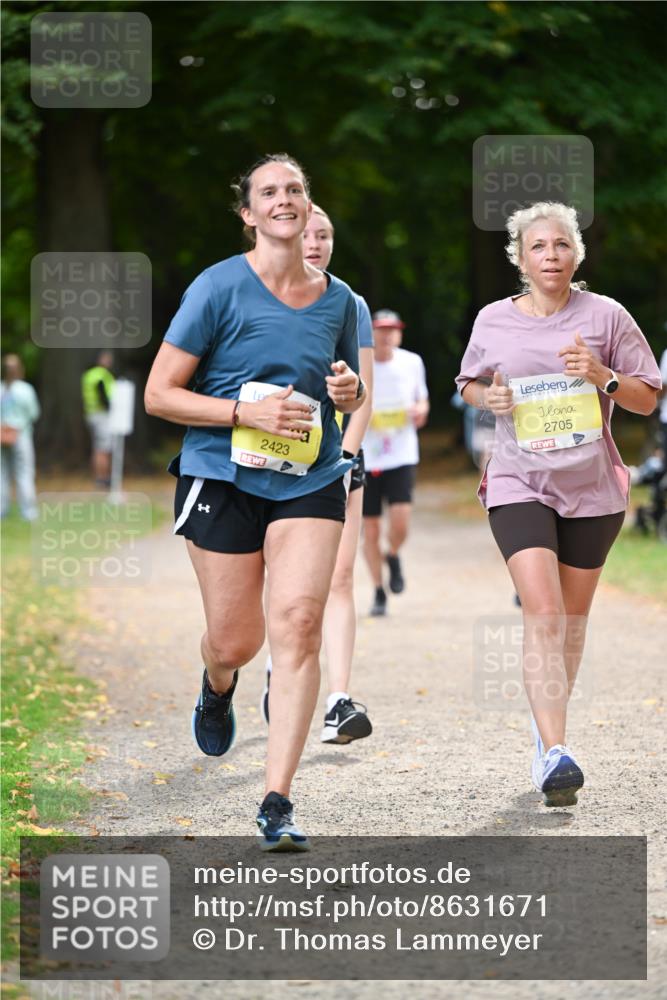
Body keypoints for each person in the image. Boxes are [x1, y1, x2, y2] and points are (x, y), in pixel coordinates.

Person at [144, 154, 365, 851]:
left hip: (309, 478)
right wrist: (245, 416)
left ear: (307, 206)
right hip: (222, 476)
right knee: (237, 640)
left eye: (294, 189)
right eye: (268, 192)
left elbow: (349, 386)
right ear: (248, 213)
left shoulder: (339, 299)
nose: (283, 199)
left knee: (298, 622)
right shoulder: (216, 288)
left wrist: (346, 396)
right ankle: (217, 683)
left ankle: (276, 801)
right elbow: (159, 394)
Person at [456, 201, 661, 807]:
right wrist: (486, 398)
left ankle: (545, 732)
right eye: (539, 247)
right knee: (542, 613)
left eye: (562, 246)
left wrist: (603, 375)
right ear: (520, 258)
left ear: (578, 255)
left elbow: (648, 398)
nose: (551, 256)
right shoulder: (494, 319)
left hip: (592, 488)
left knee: (570, 624)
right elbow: (468, 382)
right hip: (520, 479)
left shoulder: (608, 316)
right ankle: (555, 751)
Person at [261, 204, 375, 744]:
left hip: (333, 462)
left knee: (341, 576)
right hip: (264, 458)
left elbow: (361, 395)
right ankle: (273, 667)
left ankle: (339, 700)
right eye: (307, 234)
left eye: (325, 234)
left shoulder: (349, 303)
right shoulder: (253, 293)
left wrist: (347, 461)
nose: (315, 243)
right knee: (275, 579)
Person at [362, 310, 429, 616]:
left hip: (401, 453)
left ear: (399, 334)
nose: (386, 336)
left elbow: (423, 400)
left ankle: (393, 554)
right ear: (371, 332)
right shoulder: (360, 363)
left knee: (400, 522)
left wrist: (420, 411)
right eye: (380, 330)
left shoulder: (412, 362)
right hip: (368, 454)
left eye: (392, 330)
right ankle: (378, 591)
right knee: (371, 528)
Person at [0, 354, 40, 521]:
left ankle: (2, 510)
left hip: (1, 434)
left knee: (2, 474)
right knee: (24, 472)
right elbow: (34, 413)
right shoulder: (25, 389)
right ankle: (28, 512)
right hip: (21, 435)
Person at [82, 350, 115, 488]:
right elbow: (103, 395)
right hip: (101, 415)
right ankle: (104, 478)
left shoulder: (88, 375)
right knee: (104, 448)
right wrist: (110, 406)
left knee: (97, 447)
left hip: (91, 414)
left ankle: (98, 477)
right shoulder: (101, 375)